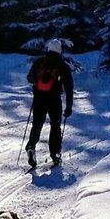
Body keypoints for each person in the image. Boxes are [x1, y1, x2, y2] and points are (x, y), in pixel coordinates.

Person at [25, 39, 74, 168]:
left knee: (37, 125)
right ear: (60, 50)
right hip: (54, 100)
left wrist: (37, 81)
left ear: (49, 49)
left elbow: (29, 78)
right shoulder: (62, 65)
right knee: (55, 126)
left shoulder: (40, 62)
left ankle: (31, 146)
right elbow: (69, 87)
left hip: (39, 99)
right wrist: (69, 106)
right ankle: (55, 154)